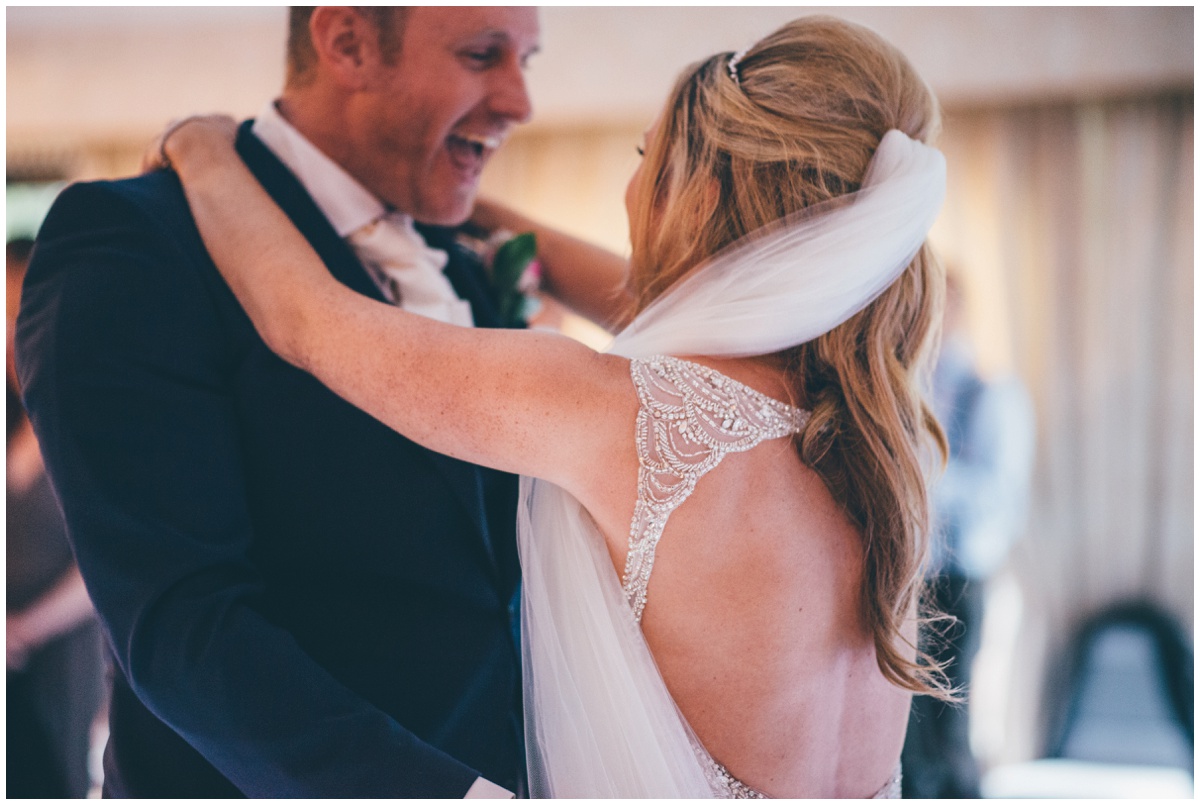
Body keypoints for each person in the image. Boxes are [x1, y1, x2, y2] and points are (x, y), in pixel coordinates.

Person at [153, 16, 955, 797]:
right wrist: (471, 210)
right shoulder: (876, 435)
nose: (633, 186)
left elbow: (307, 322)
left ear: (699, 194)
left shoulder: (620, 411)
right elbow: (680, 305)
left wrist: (202, 147)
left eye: (649, 157)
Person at [15, 8, 553, 798]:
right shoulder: (137, 243)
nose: (519, 100)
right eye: (482, 55)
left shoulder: (463, 267)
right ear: (347, 42)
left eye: (526, 60)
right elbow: (183, 628)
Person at [901, 272, 1036, 798]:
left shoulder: (993, 394)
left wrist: (916, 470)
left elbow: (1000, 497)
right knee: (903, 735)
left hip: (955, 581)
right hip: (903, 580)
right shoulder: (900, 386)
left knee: (947, 728)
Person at [7, 238, 106, 798]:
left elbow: (107, 558)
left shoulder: (88, 418)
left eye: (18, 310)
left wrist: (21, 628)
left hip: (63, 650)